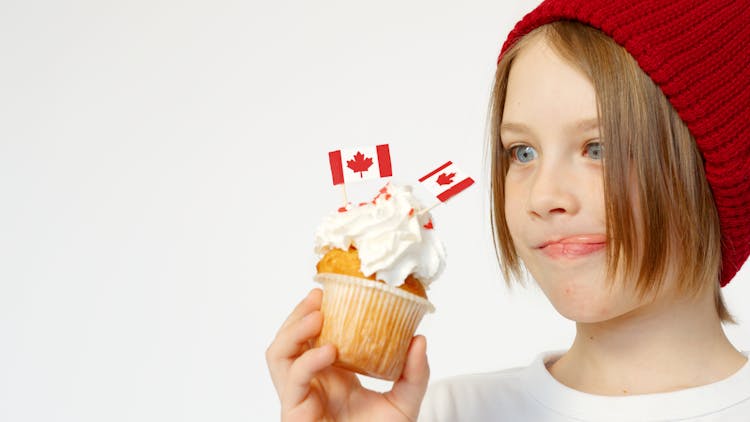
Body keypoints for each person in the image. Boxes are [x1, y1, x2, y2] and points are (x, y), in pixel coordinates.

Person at [266, 0, 750, 420]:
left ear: (714, 170)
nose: (543, 196)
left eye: (598, 148)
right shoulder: (440, 414)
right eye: (522, 152)